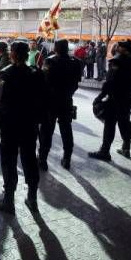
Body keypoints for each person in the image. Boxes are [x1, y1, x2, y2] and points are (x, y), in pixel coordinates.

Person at [0, 41, 44, 215]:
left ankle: (9, 201)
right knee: (29, 160)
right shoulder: (36, 74)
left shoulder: (5, 74)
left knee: (9, 161)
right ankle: (32, 198)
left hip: (10, 125)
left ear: (13, 54)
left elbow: (0, 101)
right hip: (29, 125)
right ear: (28, 54)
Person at [89, 40, 131, 161]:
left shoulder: (116, 61)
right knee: (125, 122)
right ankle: (126, 148)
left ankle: (104, 151)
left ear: (124, 49)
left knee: (110, 125)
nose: (117, 48)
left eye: (119, 46)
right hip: (126, 98)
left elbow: (109, 82)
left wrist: (100, 97)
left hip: (114, 99)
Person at [38, 39, 82, 170]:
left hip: (50, 102)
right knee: (66, 130)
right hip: (66, 100)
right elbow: (76, 84)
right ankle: (67, 158)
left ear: (56, 48)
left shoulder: (49, 61)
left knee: (46, 131)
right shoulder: (76, 63)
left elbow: (44, 82)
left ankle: (42, 159)